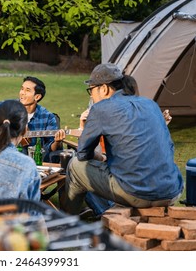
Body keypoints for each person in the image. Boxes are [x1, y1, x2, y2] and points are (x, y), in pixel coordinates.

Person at [60, 63, 184, 215]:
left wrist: (100, 157)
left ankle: (65, 222)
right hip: (171, 191)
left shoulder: (101, 108)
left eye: (90, 90)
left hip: (135, 193)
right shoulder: (150, 104)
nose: (91, 96)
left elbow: (83, 154)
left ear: (103, 88)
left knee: (75, 165)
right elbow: (169, 148)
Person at [0, 76, 66, 162]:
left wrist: (57, 142)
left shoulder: (47, 117)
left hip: (26, 161)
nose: (22, 93)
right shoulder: (9, 106)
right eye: (22, 88)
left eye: (27, 90)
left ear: (37, 97)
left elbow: (50, 149)